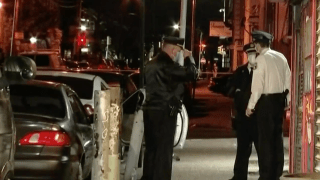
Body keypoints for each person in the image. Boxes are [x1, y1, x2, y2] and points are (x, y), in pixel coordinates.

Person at [141, 36, 198, 180]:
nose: (176, 54)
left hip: (149, 111)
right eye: (178, 51)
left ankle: (148, 177)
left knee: (151, 149)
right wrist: (189, 58)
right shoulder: (167, 65)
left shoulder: (149, 64)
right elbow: (192, 74)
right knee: (164, 152)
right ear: (173, 50)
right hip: (165, 113)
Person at [245, 30, 291, 180]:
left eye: (255, 44)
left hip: (266, 102)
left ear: (257, 45)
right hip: (279, 101)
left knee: (265, 140)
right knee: (277, 138)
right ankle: (277, 172)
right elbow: (288, 80)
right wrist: (287, 101)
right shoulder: (281, 57)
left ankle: (266, 174)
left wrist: (250, 106)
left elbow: (257, 86)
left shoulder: (261, 59)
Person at [228, 43, 259, 180]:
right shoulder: (240, 71)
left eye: (255, 54)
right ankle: (239, 176)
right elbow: (230, 88)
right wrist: (237, 92)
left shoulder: (261, 70)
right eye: (250, 54)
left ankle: (265, 176)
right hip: (243, 117)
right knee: (242, 149)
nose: (252, 57)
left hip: (257, 117)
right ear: (247, 55)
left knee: (261, 149)